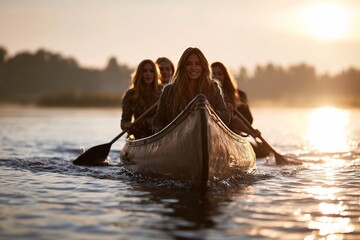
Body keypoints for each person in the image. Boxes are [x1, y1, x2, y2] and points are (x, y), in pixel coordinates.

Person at [153, 47, 231, 133]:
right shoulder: (169, 90)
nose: (193, 68)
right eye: (188, 64)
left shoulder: (213, 88)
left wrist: (208, 113)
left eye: (198, 64)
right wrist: (160, 131)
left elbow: (226, 116)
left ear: (203, 66)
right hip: (177, 140)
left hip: (208, 137)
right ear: (183, 66)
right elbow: (158, 120)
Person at [211, 61, 269, 157]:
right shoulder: (208, 94)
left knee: (262, 153)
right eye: (213, 74)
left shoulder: (240, 95)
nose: (216, 77)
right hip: (215, 137)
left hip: (235, 136)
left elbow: (249, 120)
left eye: (220, 74)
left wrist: (251, 131)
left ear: (226, 77)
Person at [121, 59, 161, 139]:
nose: (148, 74)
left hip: (157, 132)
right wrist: (127, 125)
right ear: (140, 73)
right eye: (145, 71)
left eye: (151, 71)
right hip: (139, 134)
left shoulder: (162, 92)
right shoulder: (130, 94)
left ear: (155, 74)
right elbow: (124, 121)